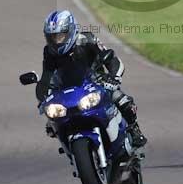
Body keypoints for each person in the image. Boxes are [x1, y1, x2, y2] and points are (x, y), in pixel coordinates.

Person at [36, 9, 147, 148]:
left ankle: (134, 129)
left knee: (122, 99)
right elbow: (46, 77)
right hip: (68, 91)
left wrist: (113, 78)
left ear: (70, 31)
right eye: (52, 37)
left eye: (60, 36)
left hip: (97, 84)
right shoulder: (49, 52)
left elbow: (113, 60)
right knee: (52, 123)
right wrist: (42, 99)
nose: (56, 41)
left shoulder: (87, 39)